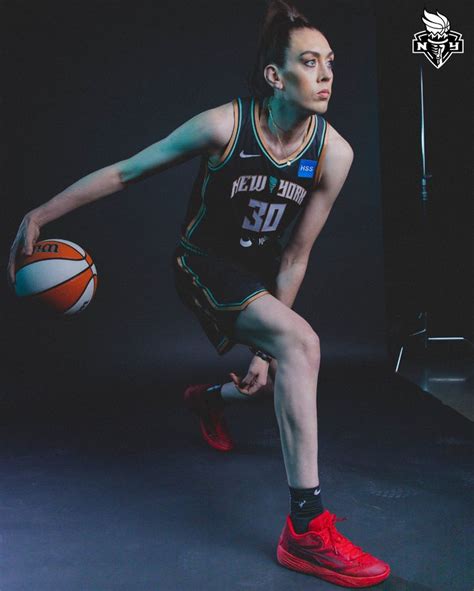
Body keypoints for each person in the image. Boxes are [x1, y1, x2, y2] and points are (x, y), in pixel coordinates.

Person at [7, 0, 390, 586]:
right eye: (309, 63)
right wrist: (42, 213)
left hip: (258, 277)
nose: (326, 75)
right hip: (201, 265)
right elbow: (128, 171)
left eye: (330, 63)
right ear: (275, 76)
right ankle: (307, 532)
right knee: (304, 346)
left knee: (281, 363)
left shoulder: (333, 154)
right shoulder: (224, 126)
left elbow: (294, 254)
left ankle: (213, 397)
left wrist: (265, 347)